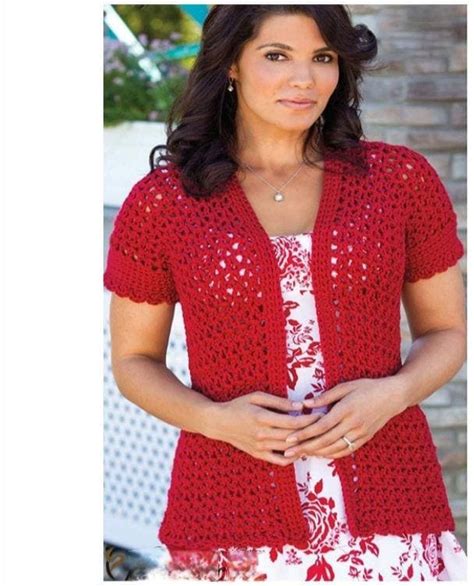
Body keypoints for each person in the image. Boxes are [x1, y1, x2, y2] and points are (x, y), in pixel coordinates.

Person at [103, 5, 468, 581]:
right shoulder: (165, 202)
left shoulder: (398, 181)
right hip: (231, 514)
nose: (305, 79)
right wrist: (215, 420)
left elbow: (446, 332)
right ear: (231, 64)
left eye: (323, 57)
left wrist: (393, 394)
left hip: (389, 507)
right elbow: (133, 361)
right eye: (277, 55)